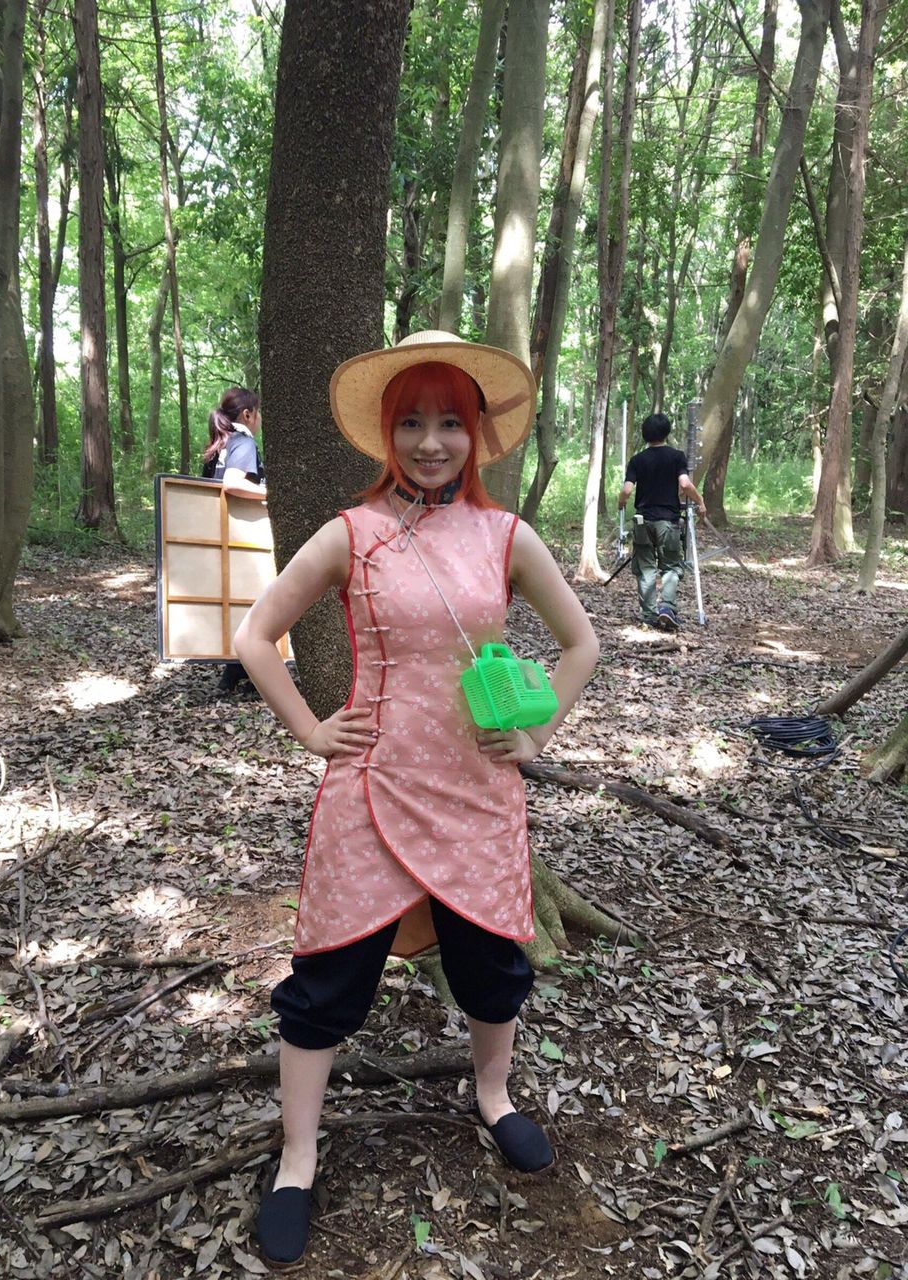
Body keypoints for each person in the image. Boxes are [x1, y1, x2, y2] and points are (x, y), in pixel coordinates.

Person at [233, 331, 600, 1267]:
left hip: (478, 792)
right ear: (386, 434)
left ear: (476, 434)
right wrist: (312, 730)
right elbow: (255, 635)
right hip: (371, 787)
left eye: (450, 422)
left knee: (491, 964)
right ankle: (298, 1158)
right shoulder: (350, 533)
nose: (431, 442)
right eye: (411, 423)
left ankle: (494, 1096)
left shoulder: (506, 535)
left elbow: (581, 643)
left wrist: (537, 737)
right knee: (327, 979)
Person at [202, 387, 266, 692]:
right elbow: (232, 483)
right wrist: (272, 494)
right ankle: (254, 673)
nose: (260, 419)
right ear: (247, 415)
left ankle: (233, 673)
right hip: (243, 534)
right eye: (258, 412)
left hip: (221, 534)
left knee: (240, 602)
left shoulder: (218, 446)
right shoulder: (243, 442)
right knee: (257, 601)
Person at [617, 411, 706, 631]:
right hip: (668, 521)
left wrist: (621, 502)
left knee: (645, 568)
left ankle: (649, 615)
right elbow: (685, 484)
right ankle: (667, 607)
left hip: (642, 521)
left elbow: (627, 490)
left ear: (645, 434)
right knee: (671, 567)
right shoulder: (677, 457)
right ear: (667, 433)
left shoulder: (637, 460)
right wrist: (700, 500)